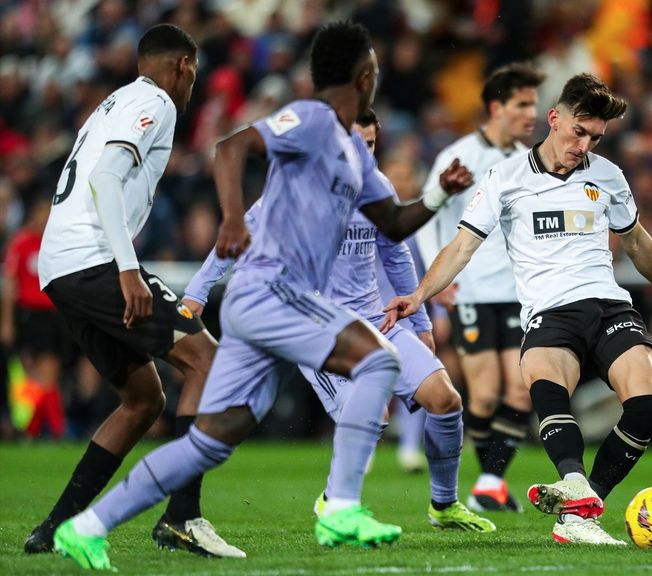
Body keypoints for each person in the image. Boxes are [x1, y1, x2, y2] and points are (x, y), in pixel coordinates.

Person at [52, 21, 471, 570]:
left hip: (273, 305)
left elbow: (393, 222)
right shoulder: (314, 119)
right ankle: (341, 507)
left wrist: (440, 193)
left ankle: (86, 527)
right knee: (377, 362)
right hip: (271, 289)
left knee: (213, 438)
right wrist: (229, 219)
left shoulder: (356, 159)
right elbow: (231, 147)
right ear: (362, 76)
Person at [384, 73, 652, 545]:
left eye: (595, 137)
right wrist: (419, 295)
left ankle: (581, 505)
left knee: (648, 400)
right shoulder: (506, 178)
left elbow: (636, 240)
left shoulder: (608, 176)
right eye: (578, 132)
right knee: (543, 388)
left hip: (609, 306)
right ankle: (571, 494)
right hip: (549, 314)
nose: (584, 144)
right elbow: (461, 246)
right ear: (555, 118)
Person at [181, 109, 494, 533]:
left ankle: (443, 504)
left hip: (374, 320)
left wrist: (419, 320)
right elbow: (232, 238)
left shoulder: (377, 188)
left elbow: (395, 254)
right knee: (372, 413)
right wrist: (197, 293)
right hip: (316, 329)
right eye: (354, 145)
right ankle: (334, 504)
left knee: (445, 400)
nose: (362, 155)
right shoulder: (294, 189)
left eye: (369, 146)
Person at [26, 24, 243, 558]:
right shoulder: (157, 102)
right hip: (95, 259)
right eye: (194, 74)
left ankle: (55, 528)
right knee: (208, 364)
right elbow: (104, 178)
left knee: (144, 398)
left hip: (59, 266)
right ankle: (183, 517)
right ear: (185, 66)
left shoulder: (116, 100)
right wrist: (128, 269)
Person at [417, 62, 545, 512]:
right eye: (523, 104)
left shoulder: (528, 161)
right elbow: (425, 218)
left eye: (533, 103)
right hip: (470, 288)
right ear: (497, 107)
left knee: (522, 389)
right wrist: (439, 282)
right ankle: (486, 483)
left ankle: (490, 481)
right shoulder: (459, 156)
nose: (533, 113)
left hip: (517, 291)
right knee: (486, 393)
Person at [2, 196, 67, 439]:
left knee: (46, 375)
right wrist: (7, 322)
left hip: (54, 315)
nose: (46, 217)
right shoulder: (21, 243)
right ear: (33, 213)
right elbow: (10, 284)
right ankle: (55, 428)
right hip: (30, 316)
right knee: (37, 375)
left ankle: (33, 430)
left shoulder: (55, 242)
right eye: (42, 212)